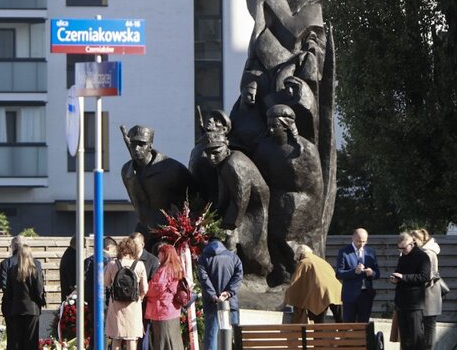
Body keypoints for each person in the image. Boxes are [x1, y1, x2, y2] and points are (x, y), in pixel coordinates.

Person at [252, 104, 324, 283]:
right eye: (268, 125)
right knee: (271, 237)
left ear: (286, 125)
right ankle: (281, 277)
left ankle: (300, 277)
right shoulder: (264, 147)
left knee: (287, 239)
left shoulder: (305, 148)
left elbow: (315, 186)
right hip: (273, 199)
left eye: (274, 125)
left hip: (300, 201)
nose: (270, 129)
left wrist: (303, 208)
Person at [201, 130, 272, 276]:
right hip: (239, 206)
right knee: (230, 239)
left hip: (253, 208)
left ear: (226, 145)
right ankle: (231, 272)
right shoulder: (222, 164)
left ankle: (255, 275)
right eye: (207, 153)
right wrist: (215, 215)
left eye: (215, 151)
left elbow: (241, 199)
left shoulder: (234, 164)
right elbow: (225, 195)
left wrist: (230, 225)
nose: (211, 157)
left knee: (253, 248)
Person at [120, 125, 198, 242]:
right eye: (133, 144)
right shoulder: (127, 171)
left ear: (150, 146)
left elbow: (195, 196)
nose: (136, 149)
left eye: (141, 144)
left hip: (170, 231)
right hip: (144, 228)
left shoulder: (172, 169)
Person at [198, 239, 243, 350]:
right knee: (234, 336)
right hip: (230, 303)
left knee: (211, 336)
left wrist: (213, 296)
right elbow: (238, 276)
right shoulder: (233, 257)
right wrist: (228, 293)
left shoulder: (203, 258)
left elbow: (204, 280)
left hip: (212, 303)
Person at [104, 237, 149, 350]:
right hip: (133, 306)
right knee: (132, 339)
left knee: (116, 338)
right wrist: (141, 297)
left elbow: (105, 283)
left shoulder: (112, 264)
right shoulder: (139, 265)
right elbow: (144, 288)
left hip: (116, 306)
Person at [390, 232, 431, 350]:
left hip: (414, 303)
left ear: (412, 243)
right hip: (401, 302)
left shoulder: (422, 256)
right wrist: (395, 279)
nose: (402, 250)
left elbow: (424, 277)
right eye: (399, 248)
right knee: (405, 338)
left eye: (404, 248)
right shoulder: (403, 256)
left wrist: (403, 277)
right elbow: (399, 271)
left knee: (416, 337)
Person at [284, 245, 342, 323]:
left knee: (318, 322)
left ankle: (318, 335)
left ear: (300, 255)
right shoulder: (322, 261)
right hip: (336, 291)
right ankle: (345, 334)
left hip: (319, 292)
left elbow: (295, 283)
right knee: (340, 319)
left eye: (297, 258)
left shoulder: (304, 262)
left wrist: (287, 298)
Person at [4, 244, 46, 350]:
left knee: (17, 341)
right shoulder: (34, 269)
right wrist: (41, 301)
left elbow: (8, 291)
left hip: (16, 308)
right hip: (32, 308)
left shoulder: (12, 270)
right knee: (31, 340)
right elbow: (39, 290)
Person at [145, 244, 185, 350]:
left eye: (160, 252)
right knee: (174, 338)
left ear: (165, 254)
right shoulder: (177, 267)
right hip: (173, 308)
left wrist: (145, 288)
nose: (158, 255)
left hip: (162, 309)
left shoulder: (164, 269)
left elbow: (156, 287)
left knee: (163, 339)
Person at [336, 228, 380, 322]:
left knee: (364, 324)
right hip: (350, 295)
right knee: (349, 324)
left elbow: (378, 273)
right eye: (359, 241)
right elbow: (339, 274)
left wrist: (372, 273)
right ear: (353, 238)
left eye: (364, 241)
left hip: (366, 294)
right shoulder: (344, 252)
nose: (361, 244)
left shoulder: (370, 252)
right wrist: (354, 272)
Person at [411, 229, 442, 350]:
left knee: (429, 326)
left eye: (414, 240)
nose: (412, 243)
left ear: (421, 240)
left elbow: (428, 275)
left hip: (429, 293)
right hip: (425, 293)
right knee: (424, 326)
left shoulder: (428, 253)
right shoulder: (420, 252)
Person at [84, 235, 119, 328]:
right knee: (103, 326)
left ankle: (93, 342)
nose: (114, 253)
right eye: (114, 250)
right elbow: (107, 282)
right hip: (102, 297)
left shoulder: (89, 259)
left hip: (91, 296)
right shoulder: (107, 260)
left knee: (94, 327)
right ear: (109, 247)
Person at [132, 231, 159, 350]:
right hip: (128, 303)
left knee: (143, 332)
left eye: (135, 244)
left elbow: (154, 282)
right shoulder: (126, 258)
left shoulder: (152, 260)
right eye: (130, 244)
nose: (132, 247)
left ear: (142, 244)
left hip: (144, 303)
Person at [0, 235, 24, 342]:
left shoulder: (5, 263)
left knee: (11, 337)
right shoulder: (32, 263)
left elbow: (4, 285)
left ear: (12, 247)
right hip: (27, 306)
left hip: (10, 305)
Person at [59, 235, 78, 300]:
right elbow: (72, 273)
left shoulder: (68, 253)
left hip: (66, 288)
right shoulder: (72, 256)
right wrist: (74, 287)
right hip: (71, 290)